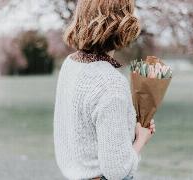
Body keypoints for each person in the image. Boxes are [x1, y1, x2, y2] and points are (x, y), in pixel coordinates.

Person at [53, 0, 156, 179]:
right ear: (123, 24)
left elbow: (86, 132)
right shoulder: (111, 83)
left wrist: (130, 129)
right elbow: (116, 171)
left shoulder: (70, 64)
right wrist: (142, 139)